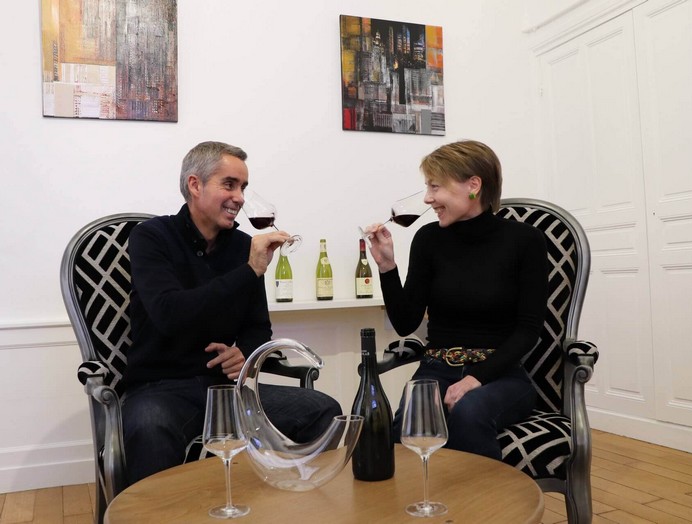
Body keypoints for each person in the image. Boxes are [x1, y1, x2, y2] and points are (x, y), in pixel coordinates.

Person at [122, 141, 342, 484]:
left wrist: (244, 353)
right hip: (160, 388)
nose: (239, 197)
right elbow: (169, 313)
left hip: (227, 389)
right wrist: (249, 272)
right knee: (149, 427)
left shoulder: (243, 247)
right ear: (195, 185)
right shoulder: (152, 237)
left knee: (322, 411)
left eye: (243, 187)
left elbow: (258, 327)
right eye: (229, 184)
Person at [363, 140, 548, 460]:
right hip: (435, 368)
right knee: (405, 431)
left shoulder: (524, 241)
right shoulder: (428, 239)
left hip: (501, 375)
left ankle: (482, 509)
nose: (427, 198)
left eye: (435, 186)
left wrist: (477, 378)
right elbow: (406, 322)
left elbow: (528, 329)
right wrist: (387, 268)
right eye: (427, 186)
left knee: (469, 411)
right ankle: (412, 506)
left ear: (473, 185)